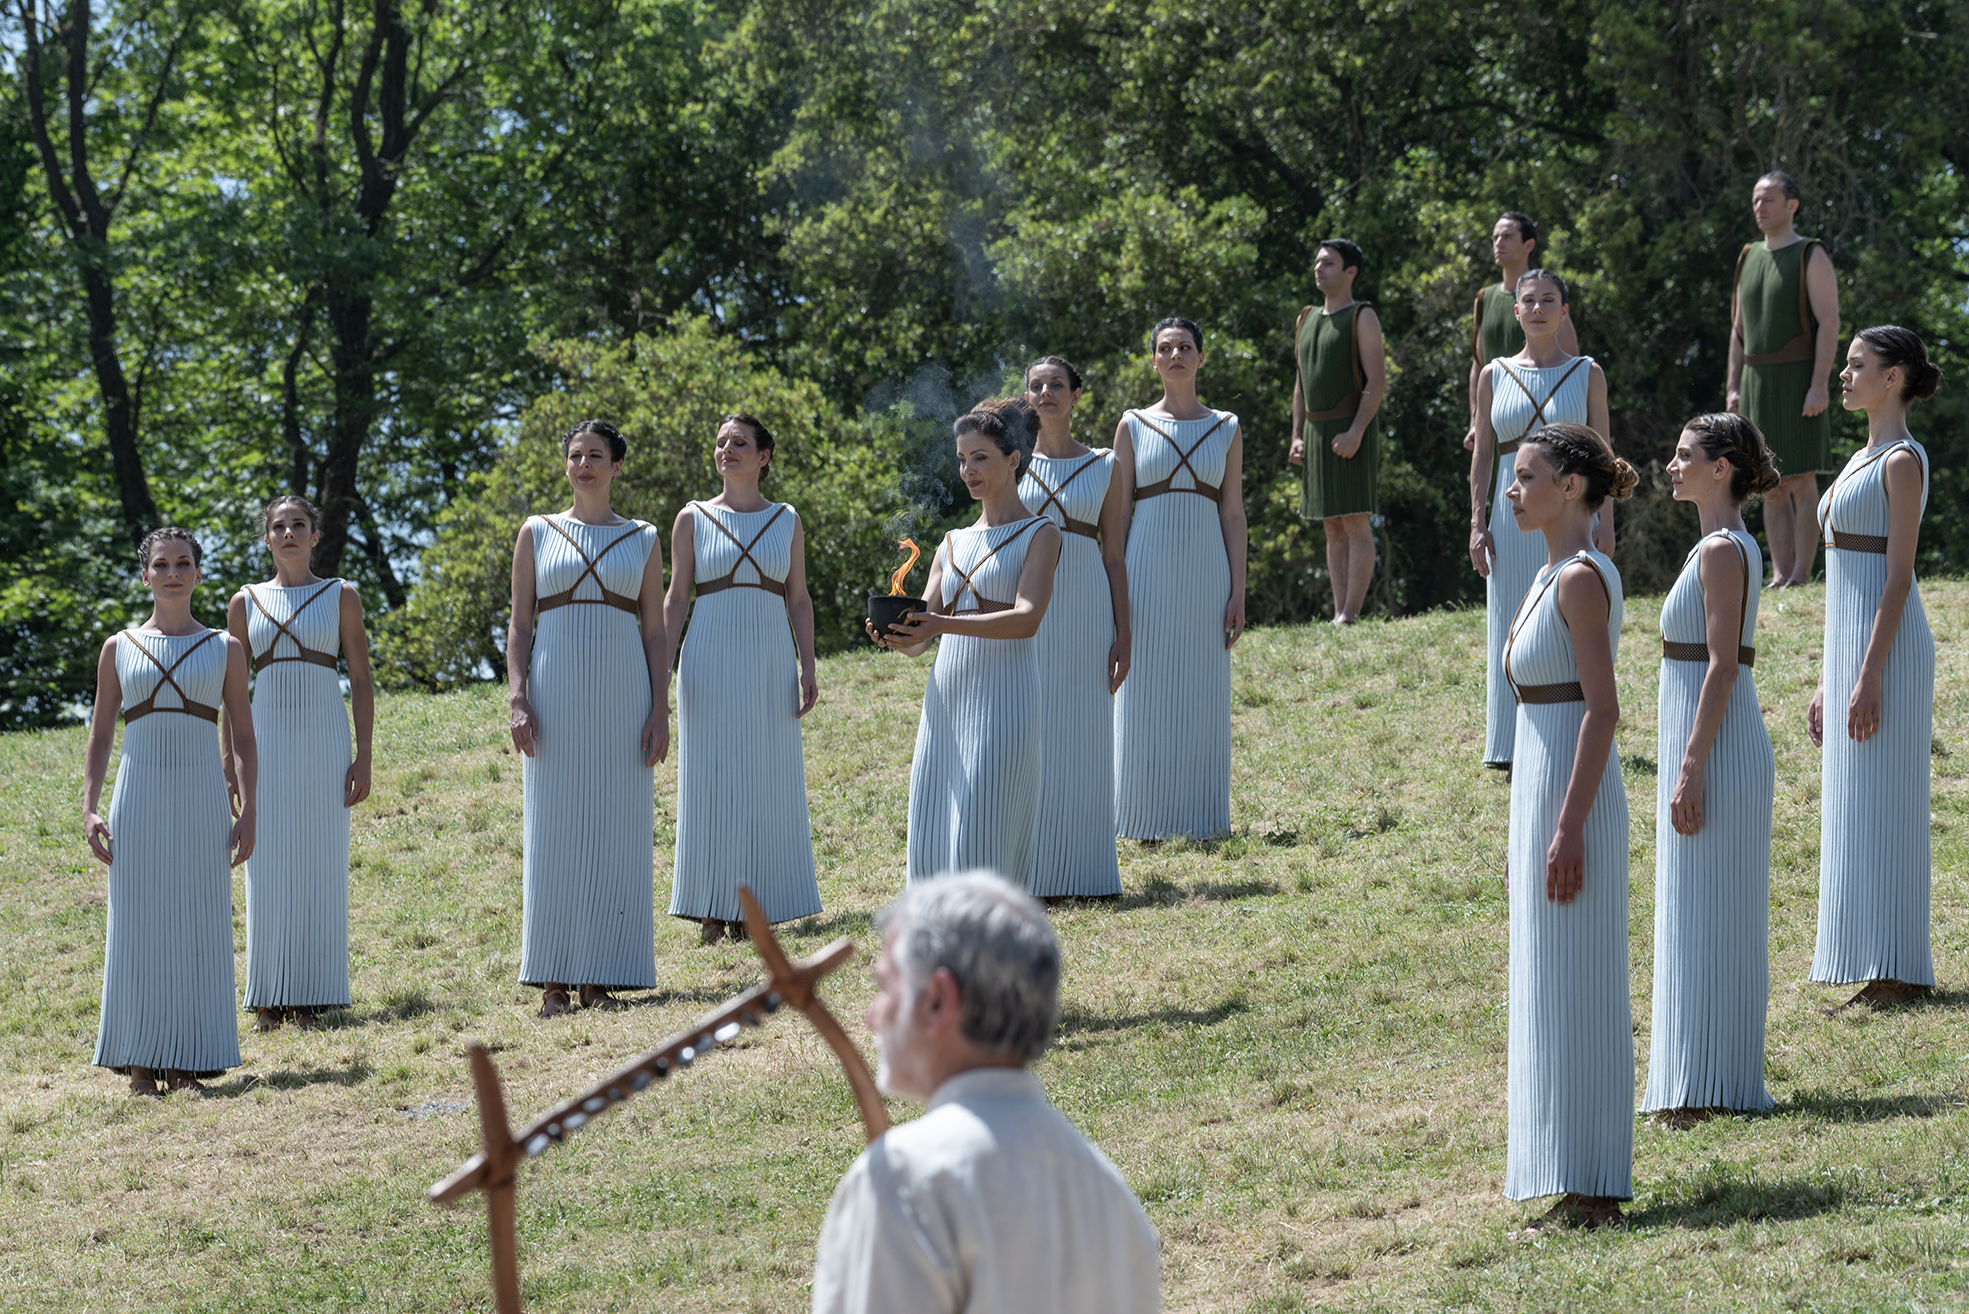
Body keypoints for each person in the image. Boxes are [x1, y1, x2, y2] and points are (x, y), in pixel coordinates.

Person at [811, 871, 1161, 1313]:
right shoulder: (1108, 1194)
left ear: (938, 1000)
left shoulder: (905, 1183)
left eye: (885, 986)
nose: (871, 1016)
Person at [1498, 422, 1636, 1229]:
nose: (1511, 490)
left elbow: (1602, 710)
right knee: (1551, 989)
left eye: (1526, 476)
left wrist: (1568, 826)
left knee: (1580, 988)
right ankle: (1570, 1177)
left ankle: (1594, 1188)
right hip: (1544, 801)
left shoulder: (1580, 577)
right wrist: (1527, 832)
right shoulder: (1544, 575)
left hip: (1572, 805)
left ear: (1571, 486)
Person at [1642, 414, 1782, 1124]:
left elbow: (1723, 667)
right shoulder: (1716, 546)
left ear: (1720, 467)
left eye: (1683, 455)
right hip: (1705, 752)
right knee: (1697, 914)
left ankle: (1708, 1087)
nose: (1671, 466)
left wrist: (1691, 765)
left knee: (1709, 917)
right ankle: (1700, 1082)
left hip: (1718, 757)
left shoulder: (1724, 551)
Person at [82, 528, 257, 1096]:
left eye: (184, 563)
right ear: (145, 576)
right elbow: (101, 733)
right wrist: (89, 808)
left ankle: (185, 1063)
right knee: (137, 926)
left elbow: (244, 736)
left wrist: (250, 809)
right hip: (137, 798)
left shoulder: (225, 648)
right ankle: (139, 1063)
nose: (173, 573)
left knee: (196, 923)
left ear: (199, 574)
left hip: (202, 799)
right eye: (161, 564)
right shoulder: (119, 647)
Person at [507, 420, 669, 1017]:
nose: (583, 465)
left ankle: (602, 975)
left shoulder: (643, 538)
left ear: (616, 466)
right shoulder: (537, 532)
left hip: (623, 695)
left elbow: (655, 631)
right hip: (554, 694)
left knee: (616, 827)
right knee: (553, 828)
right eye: (575, 455)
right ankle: (553, 978)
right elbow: (520, 623)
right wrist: (518, 696)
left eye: (595, 455)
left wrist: (660, 706)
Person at [872, 399, 1062, 888]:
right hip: (947, 701)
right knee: (935, 830)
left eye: (980, 457)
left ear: (1013, 459)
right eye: (961, 459)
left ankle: (990, 932)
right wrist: (897, 635)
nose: (967, 470)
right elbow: (922, 636)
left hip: (1005, 698)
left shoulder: (1041, 533)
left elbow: (1027, 619)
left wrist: (939, 625)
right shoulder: (951, 541)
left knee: (985, 830)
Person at [1809, 326, 1941, 1009]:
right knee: (1857, 806)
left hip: (1888, 656)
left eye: (1857, 364)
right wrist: (1829, 678)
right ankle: (1875, 960)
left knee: (1889, 804)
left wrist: (1867, 675)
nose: (1843, 373)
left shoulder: (1901, 462)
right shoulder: (1860, 457)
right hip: (1854, 656)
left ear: (1892, 377)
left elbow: (1897, 577)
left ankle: (1900, 970)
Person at [663, 413, 823, 944]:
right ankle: (712, 906)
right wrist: (659, 670)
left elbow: (798, 598)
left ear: (763, 456)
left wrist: (808, 663)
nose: (726, 449)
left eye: (738, 442)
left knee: (765, 775)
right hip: (708, 654)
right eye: (720, 442)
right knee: (710, 777)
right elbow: (676, 598)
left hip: (770, 656)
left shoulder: (786, 519)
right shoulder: (692, 518)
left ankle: (759, 905)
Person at [224, 496, 375, 1033]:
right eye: (279, 526)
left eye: (299, 525)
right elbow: (231, 692)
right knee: (265, 863)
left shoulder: (341, 596)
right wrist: (228, 761)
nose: (288, 533)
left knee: (318, 859)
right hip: (263, 739)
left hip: (323, 737)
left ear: (315, 535)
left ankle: (311, 993)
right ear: (267, 538)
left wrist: (364, 753)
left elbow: (360, 678)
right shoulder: (244, 602)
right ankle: (268, 996)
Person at [1469, 270, 1611, 771]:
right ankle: (1507, 743)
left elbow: (1604, 455)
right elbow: (1483, 455)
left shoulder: (1587, 373)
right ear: (1515, 311)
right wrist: (1477, 522)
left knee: (1568, 619)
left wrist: (1606, 521)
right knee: (1509, 620)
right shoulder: (1494, 374)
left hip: (1572, 512)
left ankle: (1572, 731)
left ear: (1564, 311)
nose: (1537, 309)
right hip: (1511, 514)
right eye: (1528, 301)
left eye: (1548, 300)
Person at [1114, 317, 1247, 840]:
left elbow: (1233, 513)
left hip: (1206, 570)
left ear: (1200, 358)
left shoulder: (1227, 426)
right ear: (1153, 360)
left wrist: (1238, 589)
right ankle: (1138, 816)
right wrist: (1115, 587)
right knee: (1143, 685)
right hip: (1145, 564)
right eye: (1166, 348)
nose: (1176, 355)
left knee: (1201, 687)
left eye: (1185, 347)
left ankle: (1201, 818)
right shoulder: (1132, 425)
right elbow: (1118, 514)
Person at [1019, 356, 1128, 898]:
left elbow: (1114, 555)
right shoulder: (1010, 463)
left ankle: (1086, 872)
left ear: (1076, 394)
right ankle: (1031, 871)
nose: (1046, 393)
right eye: (1036, 386)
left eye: (1057, 384)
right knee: (1032, 729)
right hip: (1026, 605)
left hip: (1086, 605)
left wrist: (1124, 631)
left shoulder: (1106, 464)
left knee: (1084, 731)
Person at [1728, 170, 1841, 587]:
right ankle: (1780, 574)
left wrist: (1819, 383)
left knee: (1801, 479)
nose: (1760, 206)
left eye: (1769, 199)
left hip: (1798, 378)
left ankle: (1801, 574)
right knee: (1769, 483)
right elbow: (1738, 331)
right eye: (1756, 200)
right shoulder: (1748, 256)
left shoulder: (1811, 253)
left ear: (1792, 205)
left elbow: (1829, 322)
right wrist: (1733, 387)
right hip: (1756, 383)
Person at [1289, 239, 1385, 623]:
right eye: (1317, 262)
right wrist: (1297, 436)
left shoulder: (1362, 315)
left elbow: (1376, 380)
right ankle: (1339, 612)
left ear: (1350, 272)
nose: (1319, 268)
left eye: (1328, 263)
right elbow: (1301, 384)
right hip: (1316, 434)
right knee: (1331, 526)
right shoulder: (1305, 317)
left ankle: (1351, 613)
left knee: (1354, 522)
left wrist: (1357, 432)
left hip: (1349, 429)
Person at [1463, 212, 1579, 451]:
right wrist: (1474, 421)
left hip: (1541, 431)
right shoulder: (1484, 298)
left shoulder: (1547, 301)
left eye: (1507, 237)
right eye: (1495, 238)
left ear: (1529, 245)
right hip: (1495, 424)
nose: (1499, 243)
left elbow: (1571, 365)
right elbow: (1478, 365)